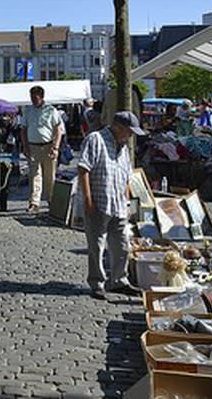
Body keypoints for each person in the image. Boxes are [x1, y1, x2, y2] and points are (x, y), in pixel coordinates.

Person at [79, 111, 144, 300]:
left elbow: (126, 177)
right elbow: (84, 169)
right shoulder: (95, 139)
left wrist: (127, 201)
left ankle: (119, 281)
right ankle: (97, 282)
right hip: (99, 201)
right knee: (97, 245)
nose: (131, 135)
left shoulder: (123, 147)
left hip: (118, 204)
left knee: (122, 244)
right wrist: (87, 199)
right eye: (129, 131)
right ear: (118, 127)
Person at [21, 85, 64, 213]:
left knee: (50, 175)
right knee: (34, 175)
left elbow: (58, 130)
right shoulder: (28, 111)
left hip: (48, 146)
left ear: (41, 97)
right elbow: (23, 129)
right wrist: (25, 146)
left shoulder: (51, 110)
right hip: (33, 146)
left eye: (36, 97)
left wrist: (56, 147)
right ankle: (34, 203)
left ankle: (51, 201)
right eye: (32, 97)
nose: (33, 100)